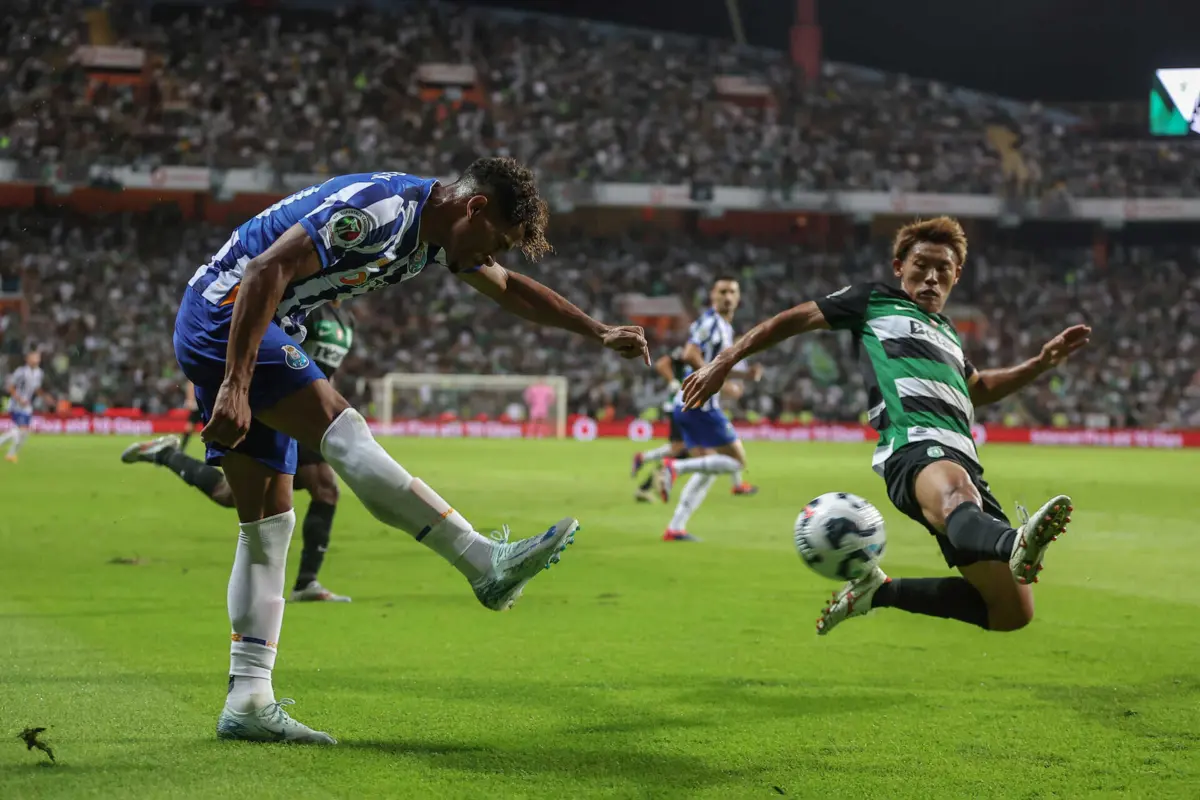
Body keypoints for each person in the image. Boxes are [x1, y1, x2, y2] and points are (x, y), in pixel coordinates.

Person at [174, 158, 649, 745]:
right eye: (495, 240)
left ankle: (248, 699)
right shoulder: (378, 211)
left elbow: (510, 290)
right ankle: (481, 561)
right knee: (343, 431)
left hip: (255, 321)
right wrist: (237, 384)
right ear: (474, 208)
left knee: (268, 522)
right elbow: (265, 269)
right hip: (230, 312)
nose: (489, 256)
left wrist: (597, 331)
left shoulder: (433, 238)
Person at [681, 216, 1090, 635]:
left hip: (962, 460)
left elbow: (979, 387)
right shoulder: (873, 300)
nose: (931, 278)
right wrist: (724, 361)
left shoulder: (947, 332)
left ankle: (878, 591)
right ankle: (1015, 542)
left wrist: (1041, 363)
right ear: (899, 267)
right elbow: (793, 320)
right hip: (912, 446)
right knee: (956, 498)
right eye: (920, 266)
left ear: (957, 275)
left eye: (942, 269)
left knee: (1010, 612)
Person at [122, 300, 358, 602]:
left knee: (237, 494)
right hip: (281, 403)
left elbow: (328, 373)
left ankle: (166, 453)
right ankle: (304, 583)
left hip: (308, 411)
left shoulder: (346, 319)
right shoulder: (309, 309)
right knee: (321, 489)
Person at [658, 277, 763, 541]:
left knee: (710, 471)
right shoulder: (711, 322)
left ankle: (675, 527)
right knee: (736, 462)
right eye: (722, 292)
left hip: (694, 404)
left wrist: (745, 376)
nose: (728, 296)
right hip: (698, 404)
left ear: (738, 298)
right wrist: (715, 380)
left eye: (732, 292)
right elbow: (691, 353)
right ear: (713, 296)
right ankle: (674, 467)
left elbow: (718, 363)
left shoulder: (724, 327)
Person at [630, 346, 755, 503]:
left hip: (691, 406)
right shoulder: (692, 351)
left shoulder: (707, 353)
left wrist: (743, 376)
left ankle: (649, 473)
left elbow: (716, 371)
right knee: (691, 452)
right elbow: (662, 363)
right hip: (685, 406)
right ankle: (654, 470)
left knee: (686, 451)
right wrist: (672, 381)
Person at [1, 351, 54, 463]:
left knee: (24, 433)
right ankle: (8, 451)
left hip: (27, 405)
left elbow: (36, 388)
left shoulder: (39, 373)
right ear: (28, 359)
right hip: (16, 404)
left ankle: (11, 454)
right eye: (34, 357)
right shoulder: (21, 372)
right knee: (22, 430)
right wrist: (19, 399)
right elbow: (10, 387)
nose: (36, 360)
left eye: (38, 358)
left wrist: (45, 397)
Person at [179, 381, 203, 452]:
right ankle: (181, 449)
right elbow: (190, 387)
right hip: (197, 408)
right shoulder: (193, 380)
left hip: (202, 406)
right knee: (189, 428)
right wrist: (190, 400)